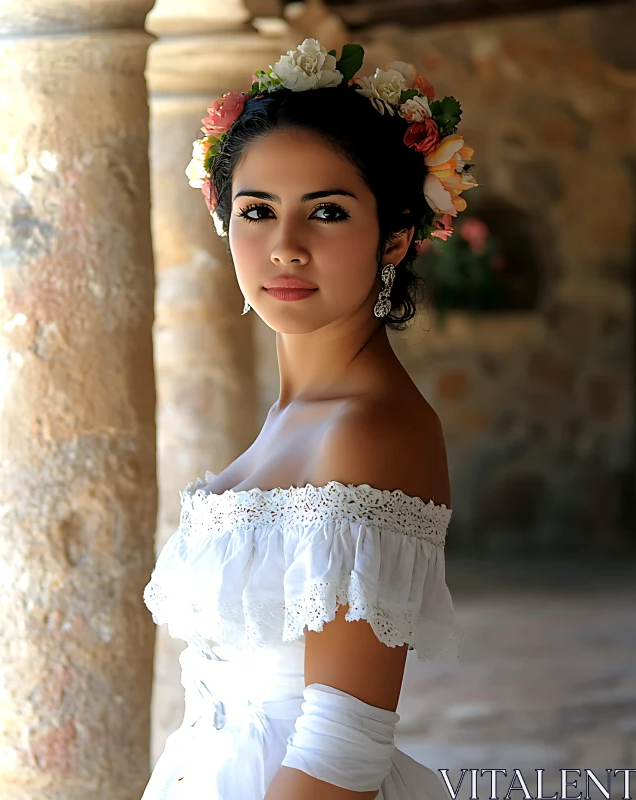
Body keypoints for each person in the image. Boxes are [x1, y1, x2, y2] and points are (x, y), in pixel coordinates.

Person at [141, 37, 476, 800]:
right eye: (257, 211)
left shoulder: (372, 430)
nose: (284, 248)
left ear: (394, 235)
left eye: (327, 212)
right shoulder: (292, 416)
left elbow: (341, 747)